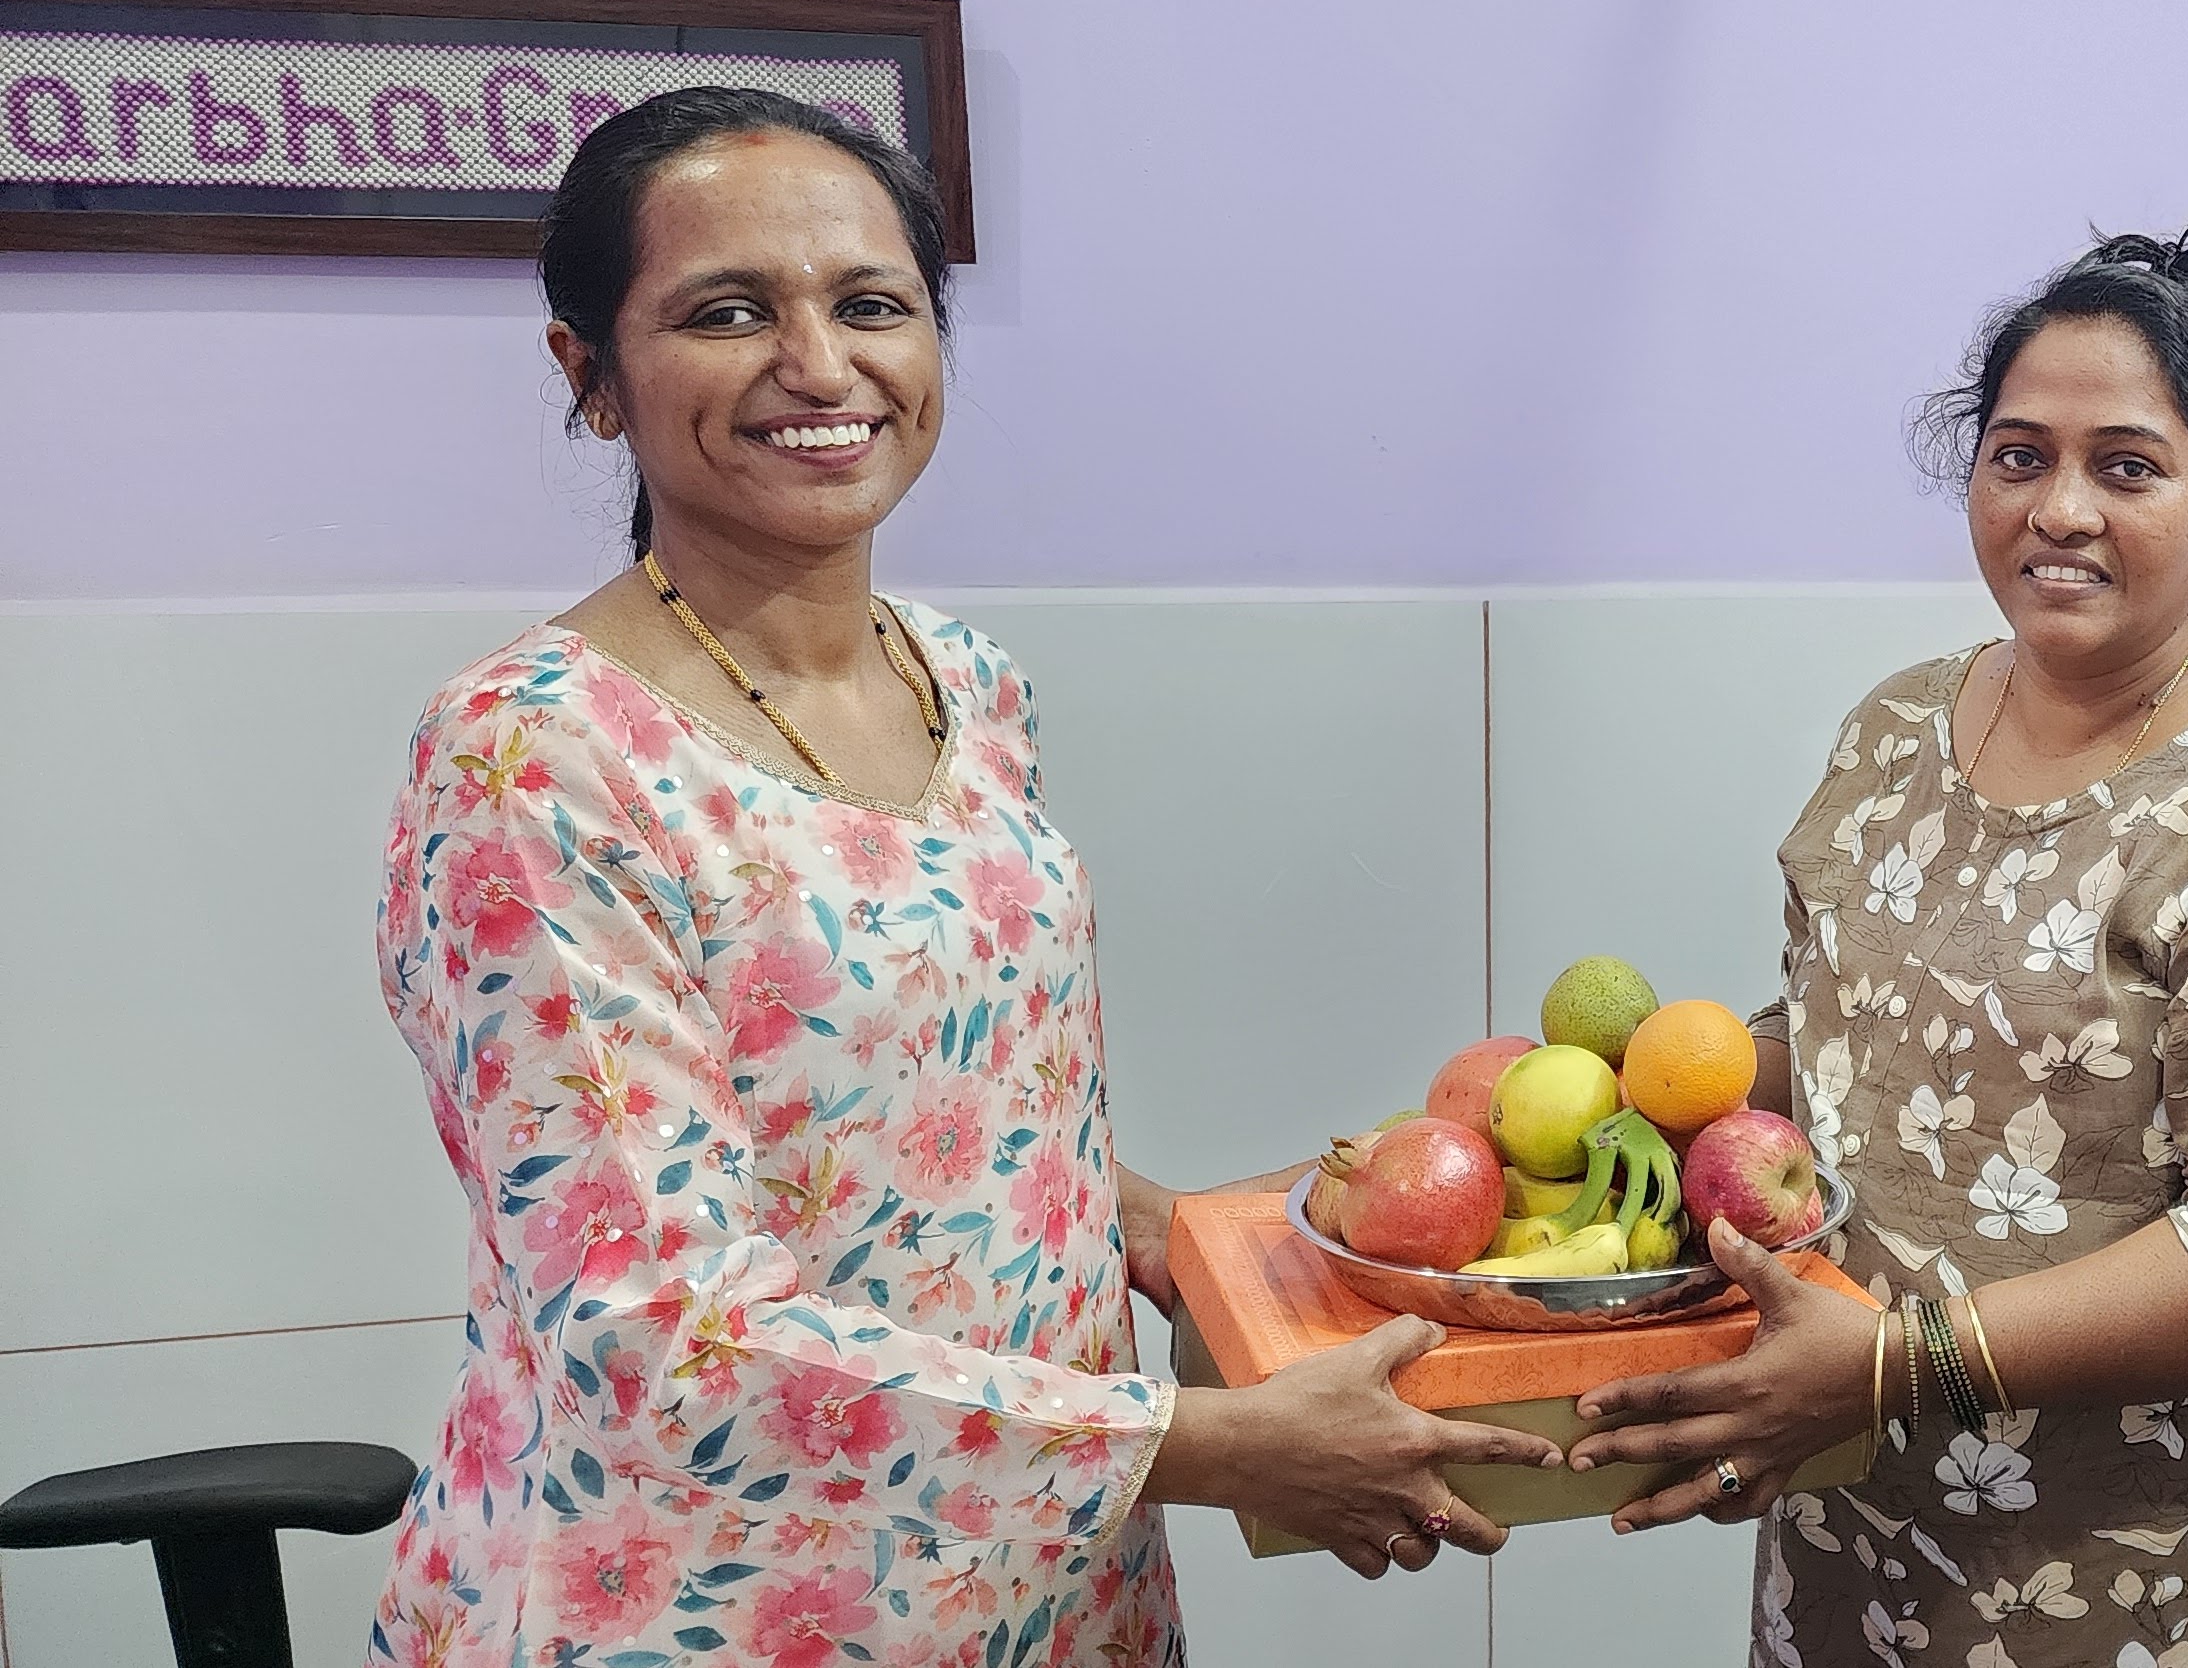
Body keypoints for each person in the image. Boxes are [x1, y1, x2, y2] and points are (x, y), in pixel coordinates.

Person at [368, 87, 1555, 1667]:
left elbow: (965, 1113)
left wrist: (1223, 1247)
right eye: (729, 312)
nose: (819, 364)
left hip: (1043, 1585)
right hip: (695, 1601)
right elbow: (657, 1340)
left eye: (872, 304)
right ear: (590, 377)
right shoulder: (531, 756)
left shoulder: (968, 684)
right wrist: (1202, 1444)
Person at [1559, 217, 2188, 1668]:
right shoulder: (1902, 726)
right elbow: (1848, 1043)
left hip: (2161, 1565)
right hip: (1869, 1515)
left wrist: (1893, 1365)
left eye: (2128, 466)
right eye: (2020, 456)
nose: (2060, 509)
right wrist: (1593, 1158)